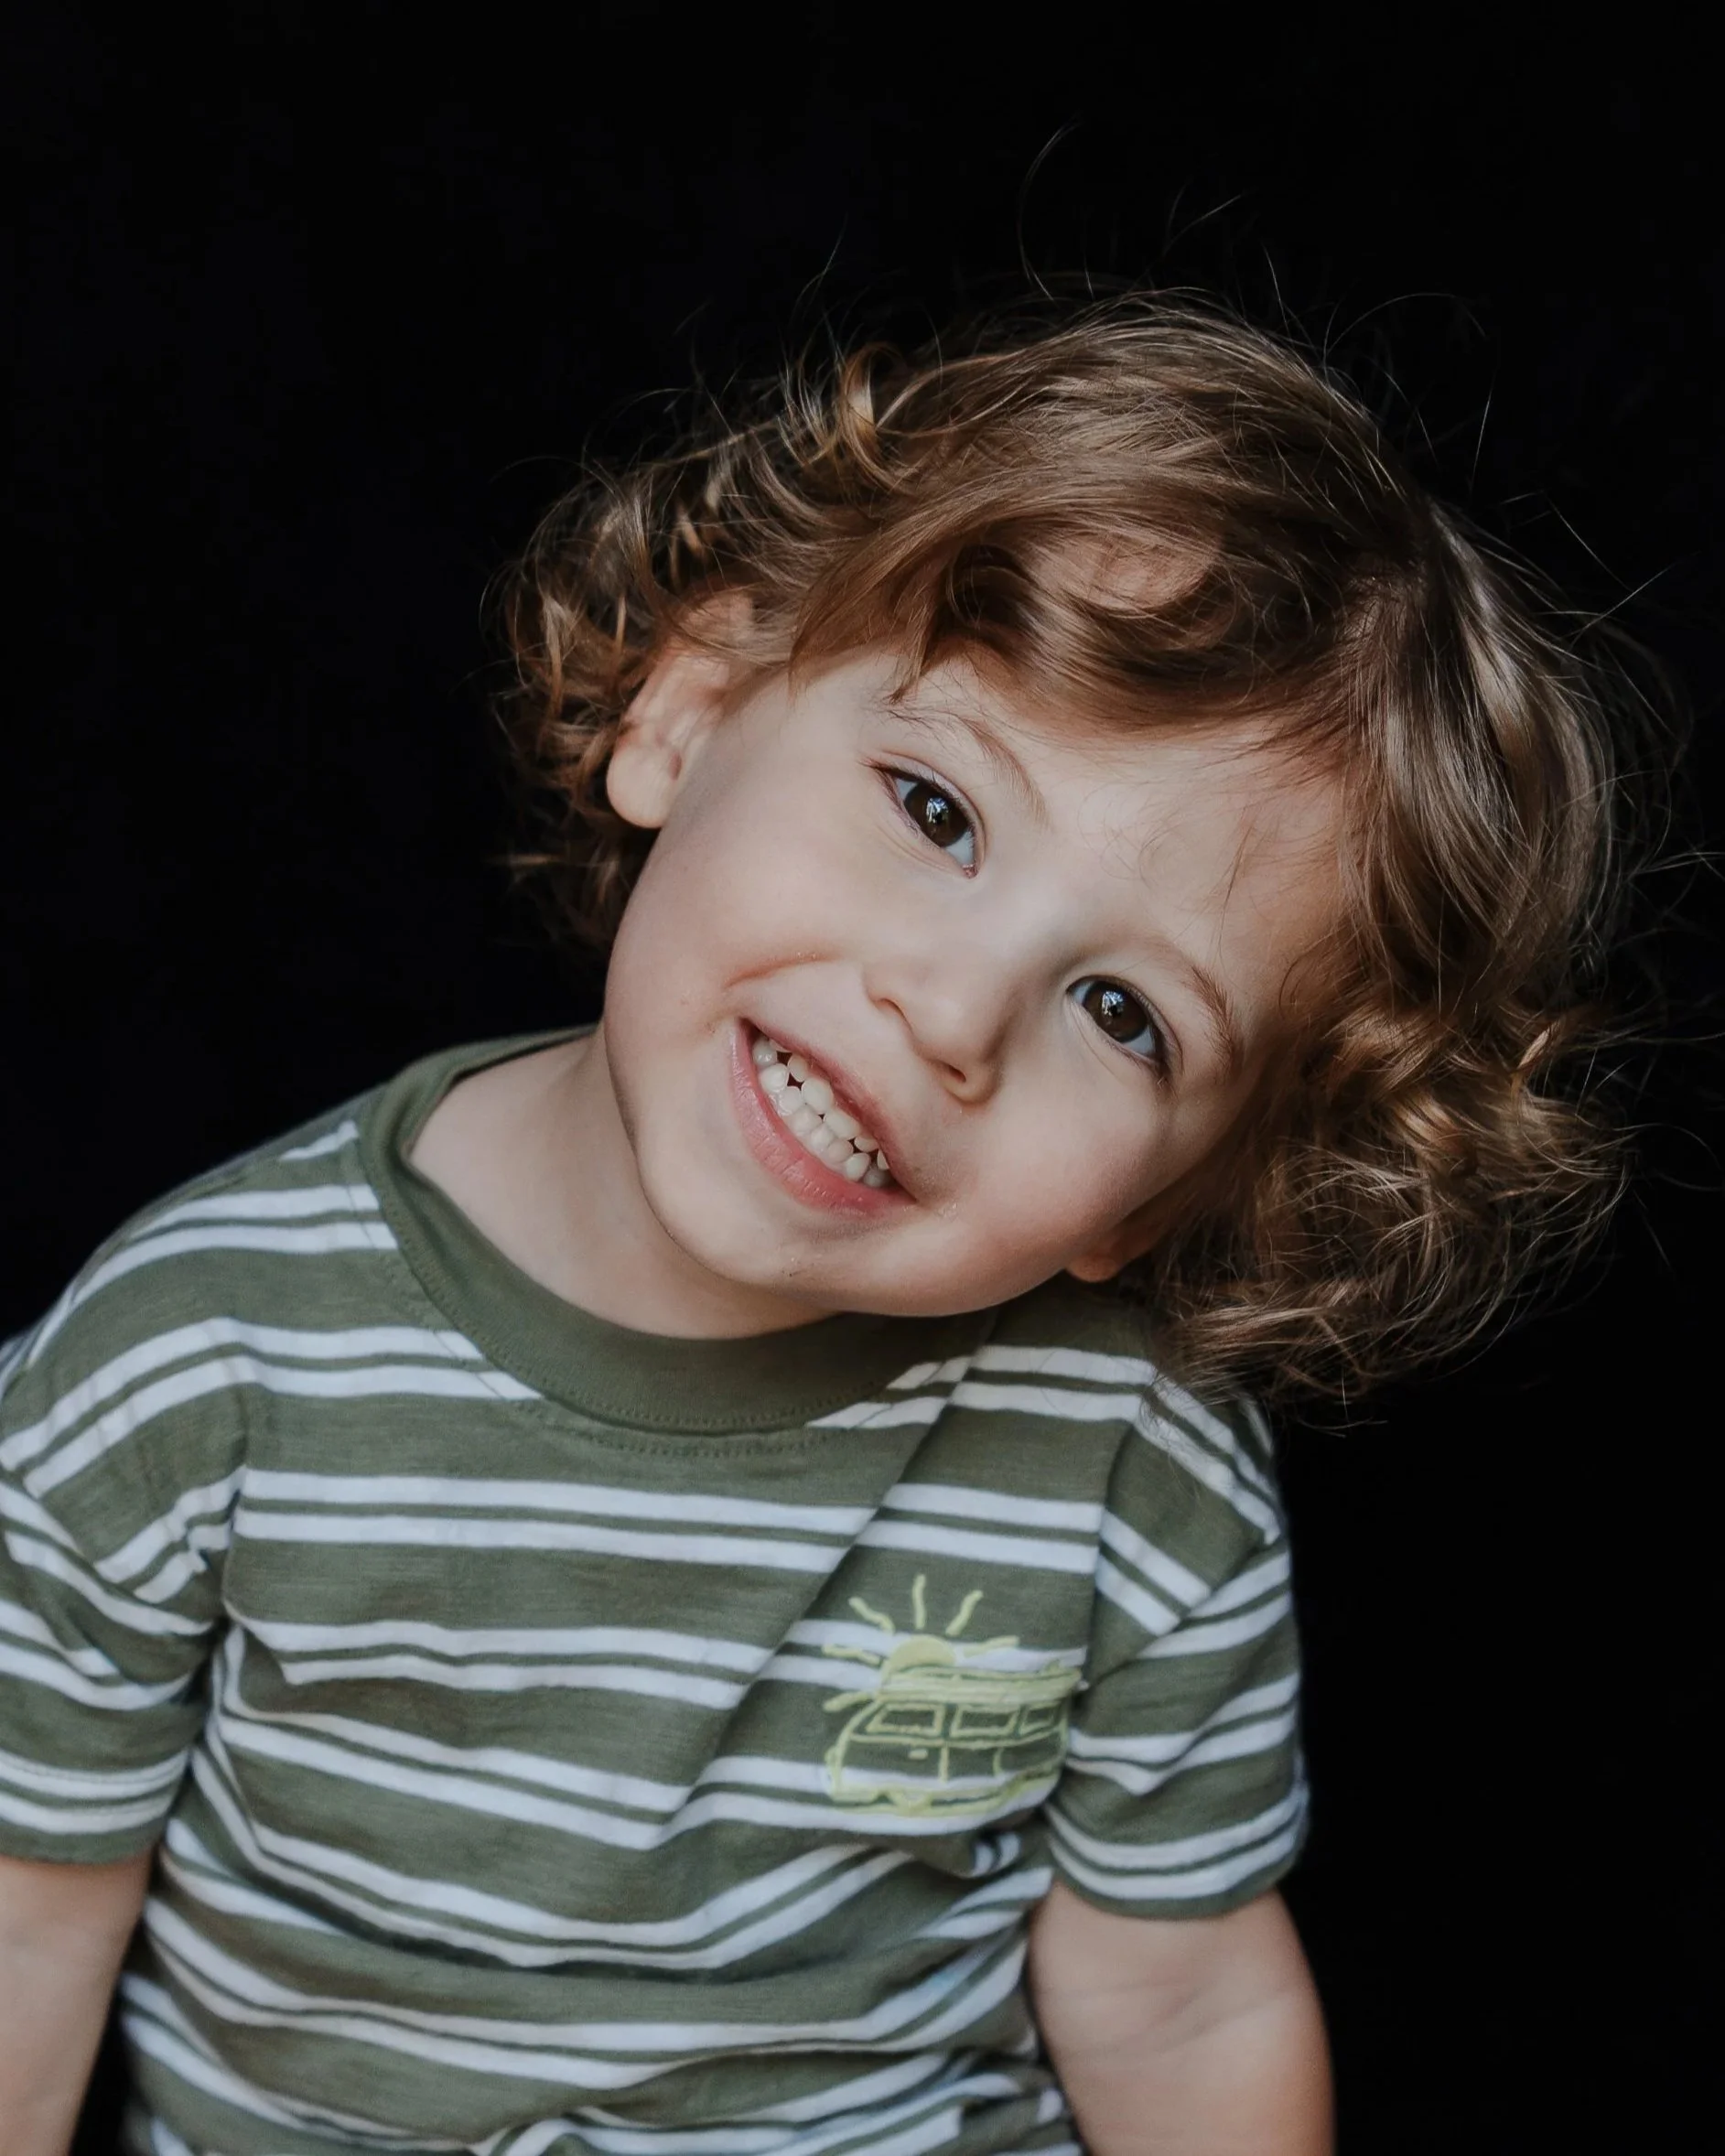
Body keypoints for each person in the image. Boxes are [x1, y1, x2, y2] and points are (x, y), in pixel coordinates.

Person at [0, 299, 1633, 2156]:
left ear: (1169, 1203)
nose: (952, 1014)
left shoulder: (1127, 1465)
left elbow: (1176, 1989)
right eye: (937, 807)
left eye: (1124, 1014)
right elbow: (29, 1919)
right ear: (685, 712)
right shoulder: (197, 1351)